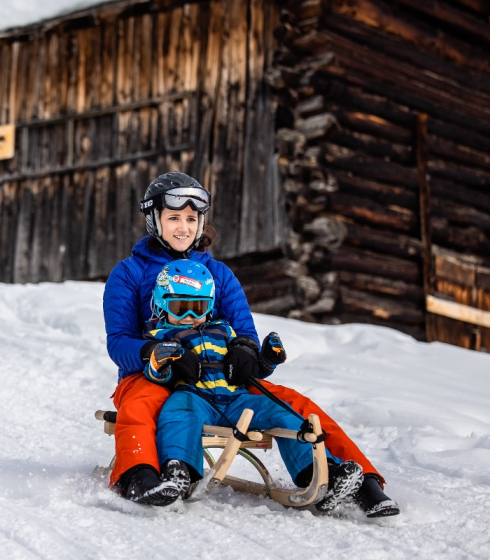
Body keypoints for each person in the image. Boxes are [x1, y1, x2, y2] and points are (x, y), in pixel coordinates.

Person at [103, 171, 399, 517]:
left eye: (191, 219)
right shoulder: (130, 273)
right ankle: (139, 476)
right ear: (155, 220)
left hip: (218, 377)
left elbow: (243, 330)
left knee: (294, 404)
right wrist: (152, 353)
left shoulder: (219, 274)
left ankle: (360, 484)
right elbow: (118, 342)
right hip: (154, 374)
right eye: (173, 218)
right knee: (139, 403)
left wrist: (244, 351)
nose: (183, 227)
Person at [144, 259, 364, 509]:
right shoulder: (159, 337)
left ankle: (323, 474)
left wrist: (267, 359)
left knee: (282, 412)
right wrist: (159, 364)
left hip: (237, 400)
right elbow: (156, 375)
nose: (190, 316)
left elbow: (250, 371)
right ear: (161, 304)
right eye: (180, 308)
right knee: (178, 415)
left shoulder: (225, 331)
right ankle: (178, 471)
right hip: (194, 396)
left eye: (198, 307)